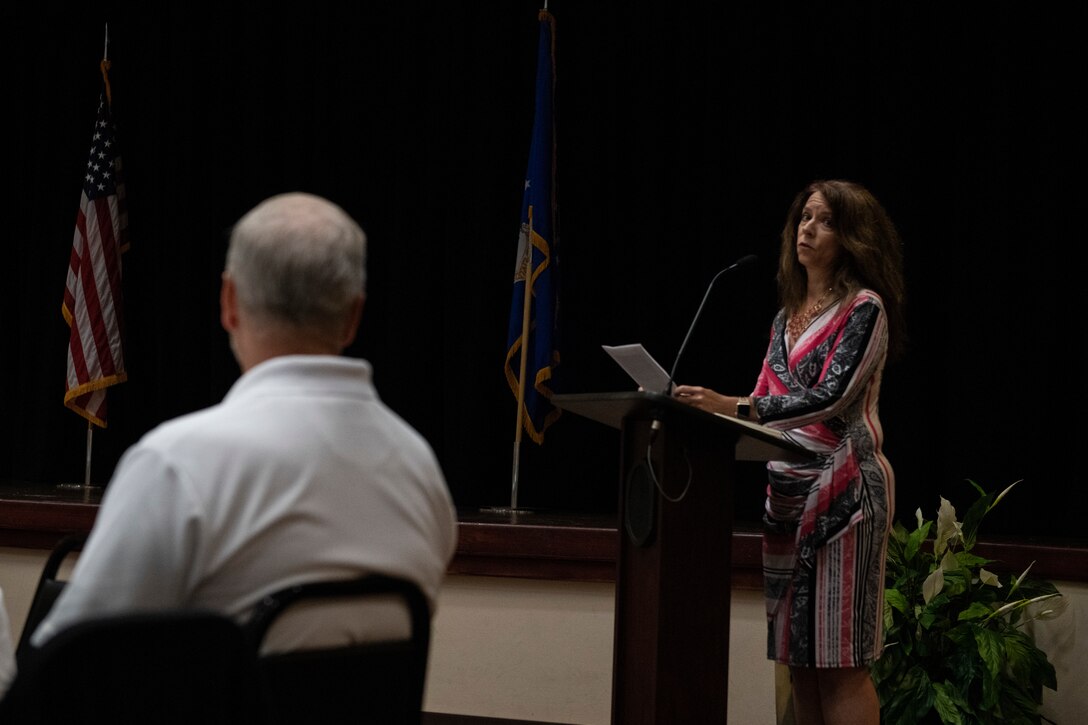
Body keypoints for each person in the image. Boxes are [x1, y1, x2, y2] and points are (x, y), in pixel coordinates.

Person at [26, 191, 458, 654]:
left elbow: (65, 668)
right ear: (354, 316)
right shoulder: (422, 472)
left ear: (228, 300)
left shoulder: (176, 464)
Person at [672, 179, 906, 725]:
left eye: (824, 220)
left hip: (844, 498)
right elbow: (764, 396)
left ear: (851, 237)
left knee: (840, 663)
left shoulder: (864, 309)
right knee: (799, 661)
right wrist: (709, 409)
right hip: (786, 498)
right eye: (804, 217)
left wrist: (731, 405)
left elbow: (830, 398)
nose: (808, 227)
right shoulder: (784, 318)